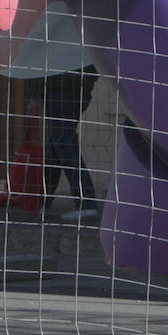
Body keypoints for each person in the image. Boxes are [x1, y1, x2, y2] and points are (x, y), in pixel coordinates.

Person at [42, 68, 99, 221]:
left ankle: (87, 203)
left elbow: (39, 53)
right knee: (56, 143)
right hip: (77, 87)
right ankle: (42, 200)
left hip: (60, 87)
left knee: (63, 142)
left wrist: (35, 94)